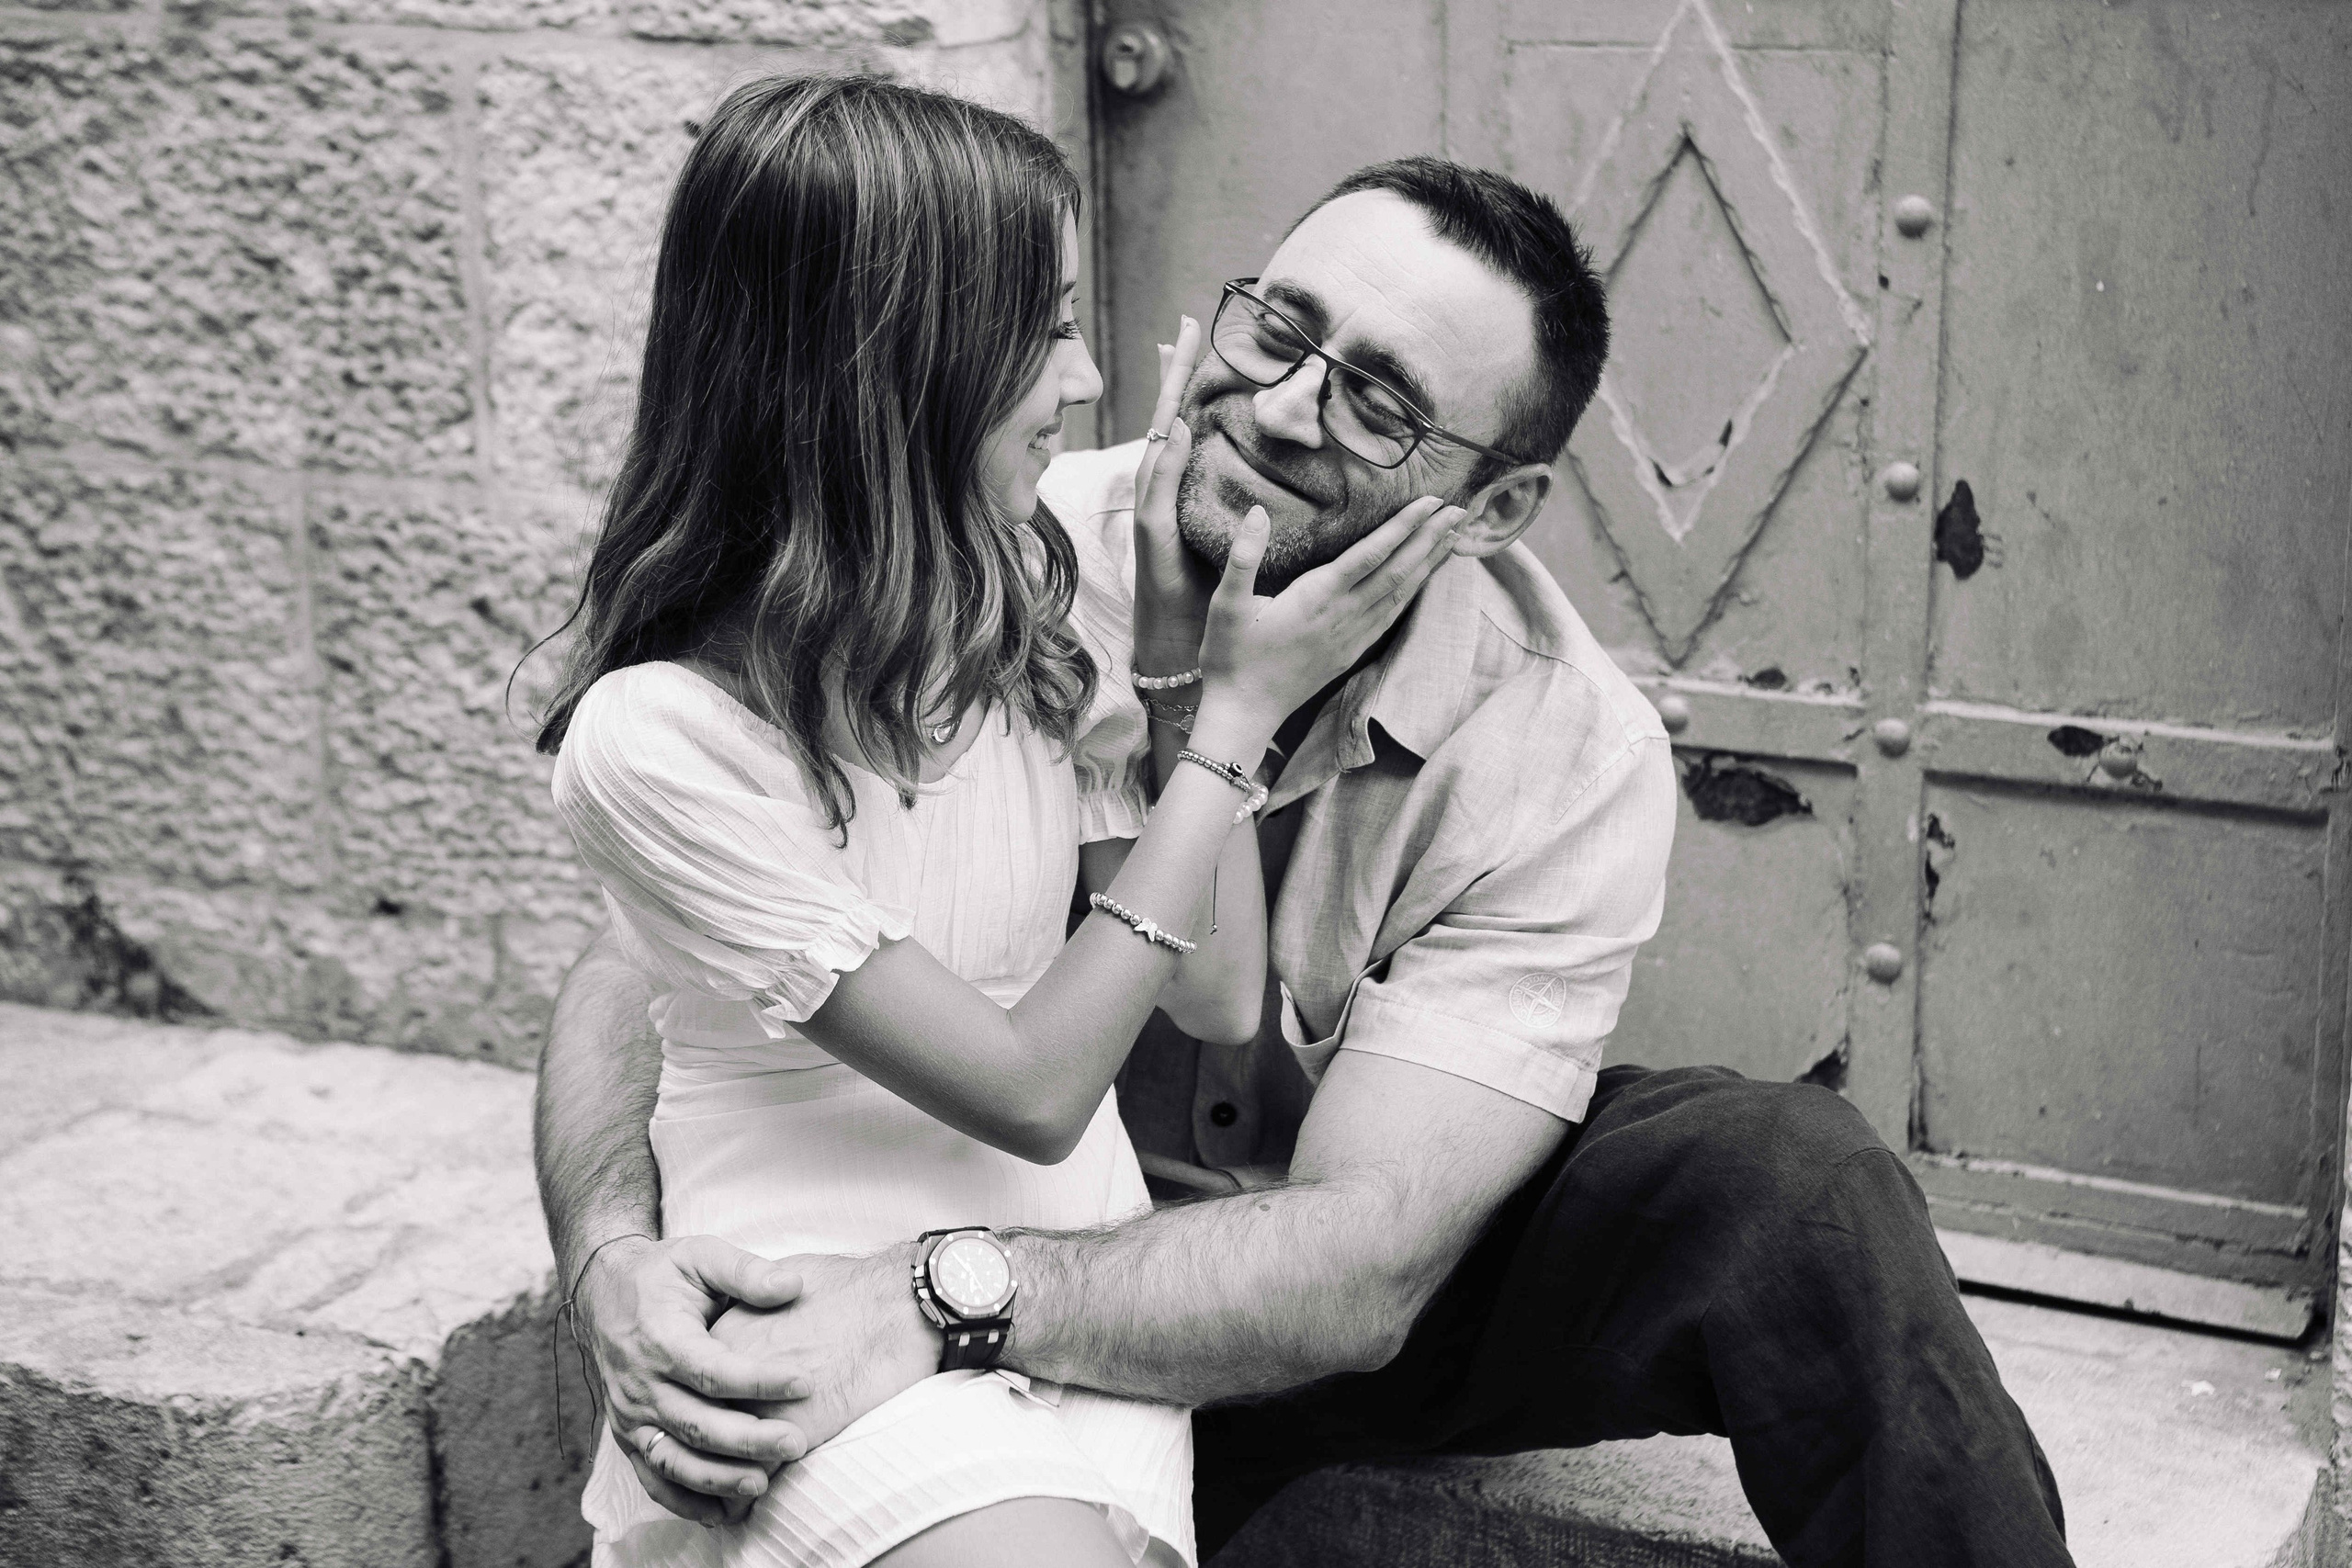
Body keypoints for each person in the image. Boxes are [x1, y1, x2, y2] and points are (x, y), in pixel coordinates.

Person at [538, 152, 2076, 1568]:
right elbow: (661, 947)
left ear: (1496, 511)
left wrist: (937, 1298)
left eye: (1381, 406)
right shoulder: (1002, 549)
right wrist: (610, 1250)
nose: (1281, 411)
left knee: (1787, 1180)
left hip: (1277, 1303)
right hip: (943, 1250)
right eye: (1278, 328)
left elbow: (1361, 1266)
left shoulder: (1560, 745)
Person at [533, 74, 1463, 1568]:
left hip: (1053, 1302)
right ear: (895, 365)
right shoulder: (657, 740)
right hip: (809, 1319)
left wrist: (1167, 674)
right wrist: (1231, 731)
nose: (1089, 377)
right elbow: (1031, 1084)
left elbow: (1214, 991)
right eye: (1045, 329)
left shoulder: (1014, 600)